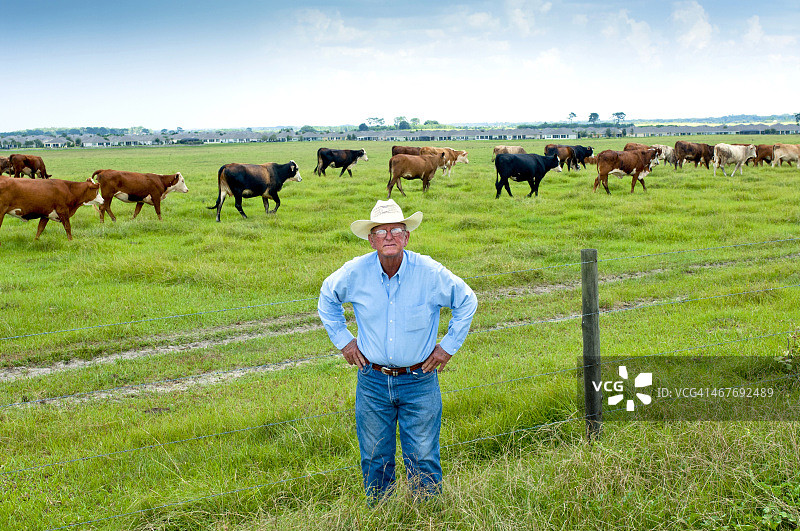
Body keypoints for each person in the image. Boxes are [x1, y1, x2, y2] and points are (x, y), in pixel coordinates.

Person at [318, 199, 478, 502]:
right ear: (371, 239)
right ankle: (382, 514)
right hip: (373, 380)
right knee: (375, 456)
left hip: (419, 380)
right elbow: (327, 296)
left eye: (395, 230)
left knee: (423, 455)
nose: (388, 237)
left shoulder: (429, 272)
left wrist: (447, 348)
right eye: (380, 231)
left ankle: (427, 515)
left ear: (407, 236)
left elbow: (467, 301)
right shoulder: (355, 272)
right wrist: (344, 341)